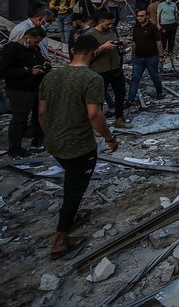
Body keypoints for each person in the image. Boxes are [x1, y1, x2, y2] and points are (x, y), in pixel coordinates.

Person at [38, 33, 116, 261]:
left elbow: (42, 112)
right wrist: (110, 138)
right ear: (94, 53)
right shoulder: (92, 79)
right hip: (79, 145)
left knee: (71, 183)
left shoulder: (51, 77)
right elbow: (94, 115)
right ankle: (60, 241)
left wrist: (50, 135)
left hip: (54, 142)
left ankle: (70, 216)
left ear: (72, 51)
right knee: (74, 190)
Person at [0, 26, 49, 157]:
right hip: (19, 90)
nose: (36, 44)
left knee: (39, 115)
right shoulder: (10, 50)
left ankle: (38, 139)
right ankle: (14, 148)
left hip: (37, 88)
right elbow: (2, 72)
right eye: (35, 41)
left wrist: (44, 67)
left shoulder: (34, 49)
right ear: (27, 38)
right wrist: (28, 71)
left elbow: (44, 61)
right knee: (19, 119)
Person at [86, 11, 131, 129]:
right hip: (99, 71)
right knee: (99, 98)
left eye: (112, 23)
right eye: (107, 24)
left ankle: (119, 118)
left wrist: (122, 45)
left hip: (116, 68)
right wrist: (102, 47)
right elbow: (87, 55)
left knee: (121, 93)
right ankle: (97, 124)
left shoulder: (113, 30)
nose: (110, 26)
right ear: (100, 22)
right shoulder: (90, 34)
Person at [127, 8, 165, 106]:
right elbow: (134, 42)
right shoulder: (136, 27)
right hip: (138, 58)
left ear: (147, 16)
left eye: (142, 16)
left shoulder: (153, 28)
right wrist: (132, 55)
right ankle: (130, 100)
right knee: (135, 78)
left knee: (155, 76)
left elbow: (158, 42)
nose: (139, 18)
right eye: (138, 16)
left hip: (151, 57)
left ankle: (160, 93)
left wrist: (161, 56)